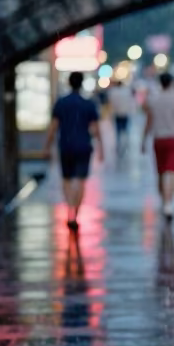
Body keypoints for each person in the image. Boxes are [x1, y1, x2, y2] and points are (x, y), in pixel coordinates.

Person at [45, 71, 103, 232]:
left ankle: (70, 209)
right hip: (84, 145)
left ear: (69, 83)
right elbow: (95, 128)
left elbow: (53, 126)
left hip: (66, 145)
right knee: (81, 180)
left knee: (66, 179)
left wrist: (46, 146)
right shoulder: (89, 104)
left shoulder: (61, 103)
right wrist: (101, 147)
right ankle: (75, 212)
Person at [141, 72, 174, 218]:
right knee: (171, 172)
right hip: (173, 139)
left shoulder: (154, 99)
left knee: (161, 172)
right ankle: (168, 202)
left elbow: (148, 120)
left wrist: (143, 140)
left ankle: (164, 201)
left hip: (158, 139)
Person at [107, 80, 134, 156]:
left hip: (117, 113)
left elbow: (110, 103)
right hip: (125, 113)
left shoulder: (113, 92)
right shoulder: (126, 92)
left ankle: (119, 145)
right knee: (125, 130)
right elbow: (130, 102)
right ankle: (125, 144)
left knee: (118, 131)